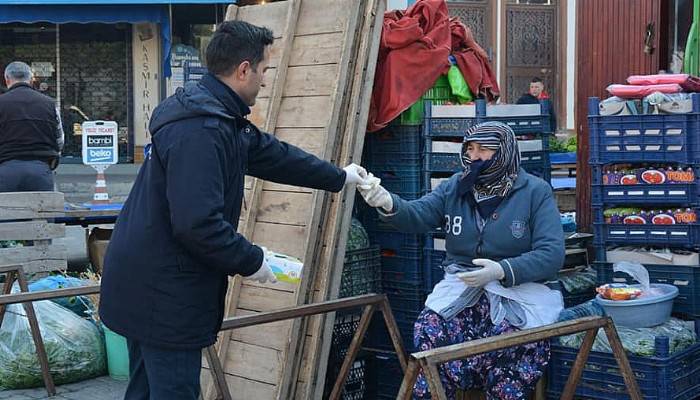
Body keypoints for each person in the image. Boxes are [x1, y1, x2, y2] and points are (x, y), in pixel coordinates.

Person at [98, 20, 368, 400]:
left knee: (145, 390)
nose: (265, 80)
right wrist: (254, 261)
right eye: (263, 70)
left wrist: (339, 177)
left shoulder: (217, 115)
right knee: (171, 391)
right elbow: (198, 224)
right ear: (244, 70)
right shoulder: (202, 130)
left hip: (150, 282)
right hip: (165, 293)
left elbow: (272, 154)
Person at [358, 121, 564, 399]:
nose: (475, 157)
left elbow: (552, 255)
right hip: (463, 287)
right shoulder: (456, 186)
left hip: (518, 292)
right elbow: (420, 214)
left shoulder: (534, 192)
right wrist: (386, 201)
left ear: (505, 151)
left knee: (512, 344)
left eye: (485, 150)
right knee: (430, 329)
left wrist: (502, 270)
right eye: (471, 149)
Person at [0, 61, 64, 191]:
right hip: (41, 171)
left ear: (7, 79)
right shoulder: (50, 104)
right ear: (31, 79)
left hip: (5, 171)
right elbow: (60, 141)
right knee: (43, 210)